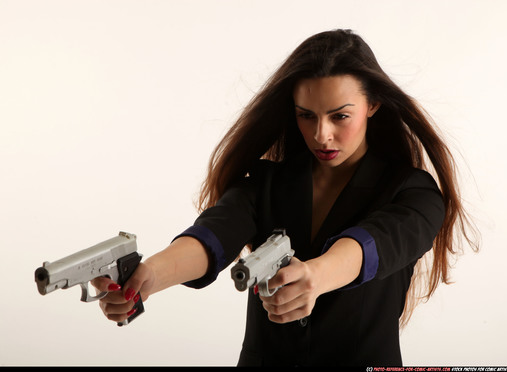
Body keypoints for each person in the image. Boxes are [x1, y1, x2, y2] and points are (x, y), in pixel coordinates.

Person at [92, 29, 478, 366]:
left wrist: (316, 275)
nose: (320, 134)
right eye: (305, 115)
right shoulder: (267, 182)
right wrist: (151, 276)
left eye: (340, 116)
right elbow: (214, 234)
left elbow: (375, 244)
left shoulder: (414, 193)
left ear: (372, 104)